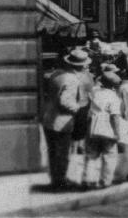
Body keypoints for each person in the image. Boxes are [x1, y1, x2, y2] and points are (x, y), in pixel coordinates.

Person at [40, 47, 93, 191]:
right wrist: (78, 109)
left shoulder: (56, 74)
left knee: (53, 152)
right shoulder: (72, 80)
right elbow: (65, 101)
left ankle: (56, 179)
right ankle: (60, 182)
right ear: (81, 65)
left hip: (49, 117)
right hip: (62, 121)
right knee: (62, 153)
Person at [82, 67, 124, 189]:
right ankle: (105, 181)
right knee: (109, 155)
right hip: (107, 127)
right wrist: (117, 133)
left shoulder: (95, 93)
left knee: (91, 153)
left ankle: (88, 179)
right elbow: (115, 117)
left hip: (93, 125)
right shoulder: (114, 98)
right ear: (114, 86)